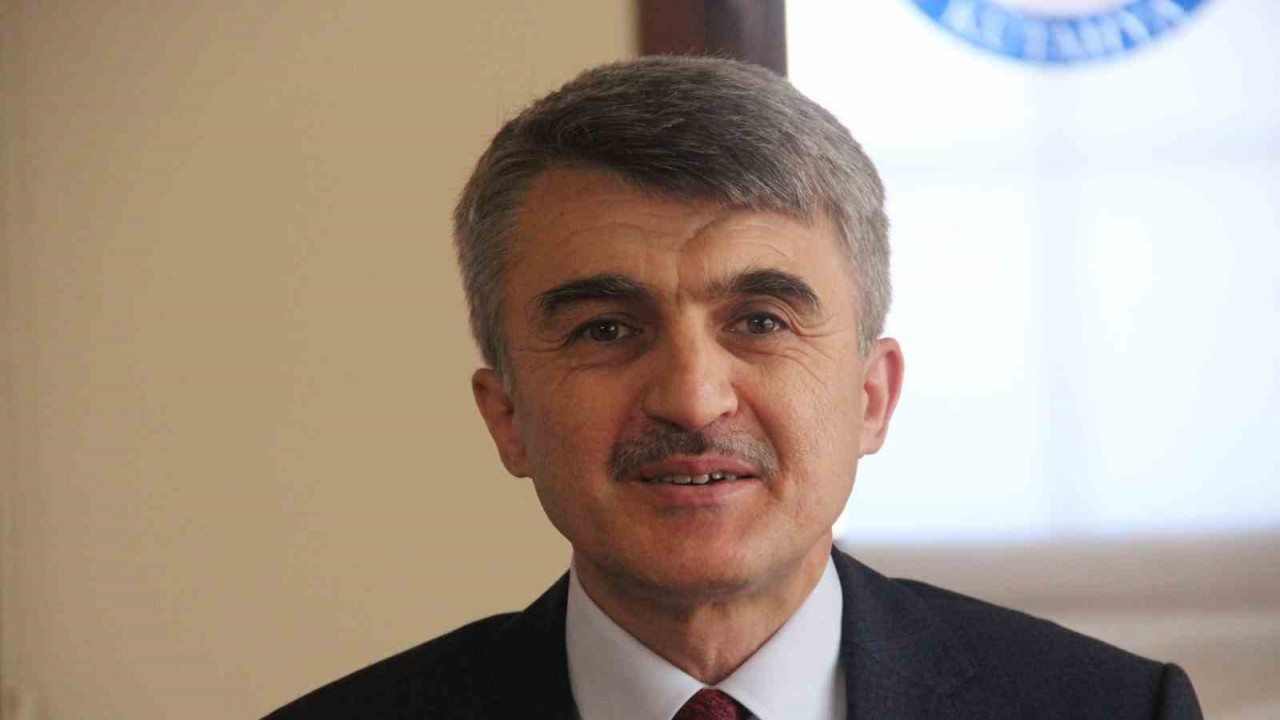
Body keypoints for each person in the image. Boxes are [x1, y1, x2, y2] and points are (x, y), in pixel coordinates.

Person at [265, 56, 1202, 719]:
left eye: (760, 321)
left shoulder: (1116, 709)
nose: (692, 398)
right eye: (606, 329)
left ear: (871, 397)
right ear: (506, 416)